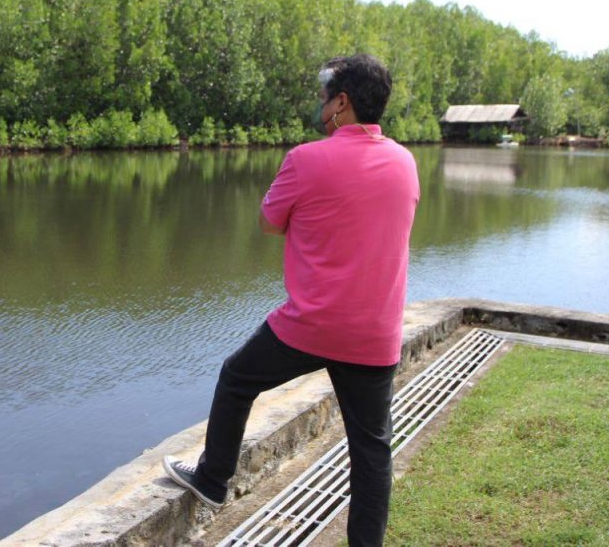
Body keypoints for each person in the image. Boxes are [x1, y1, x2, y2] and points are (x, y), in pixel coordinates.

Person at [163, 54, 419, 547]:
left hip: (311, 326)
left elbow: (268, 223)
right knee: (372, 454)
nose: (320, 102)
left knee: (237, 378)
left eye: (325, 94)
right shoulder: (406, 163)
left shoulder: (305, 158)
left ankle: (213, 479)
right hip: (374, 333)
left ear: (341, 103)